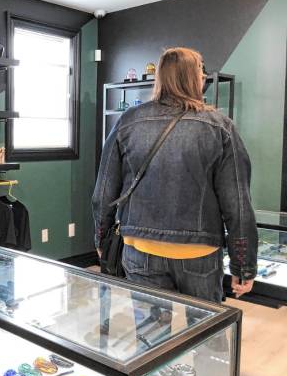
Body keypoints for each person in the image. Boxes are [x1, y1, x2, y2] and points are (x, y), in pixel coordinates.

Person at [92, 47, 258, 304]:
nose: (203, 78)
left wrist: (102, 238)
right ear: (195, 78)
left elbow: (103, 192)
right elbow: (237, 203)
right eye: (201, 72)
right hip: (199, 253)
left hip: (141, 250)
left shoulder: (128, 121)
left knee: (153, 338)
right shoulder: (220, 127)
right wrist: (243, 265)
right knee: (205, 335)